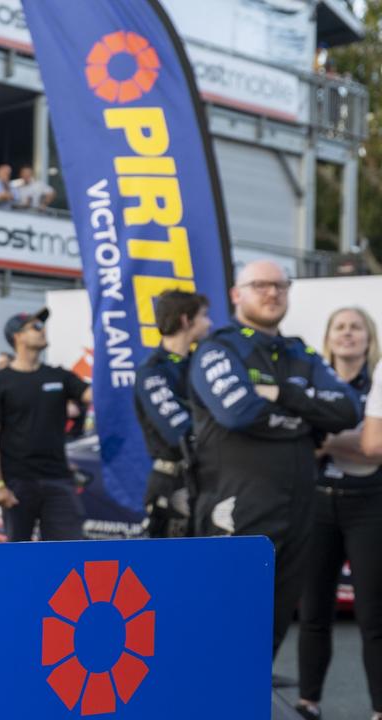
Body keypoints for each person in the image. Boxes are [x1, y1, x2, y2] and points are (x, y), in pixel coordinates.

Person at [189, 260, 359, 661]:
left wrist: (279, 394)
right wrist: (305, 417)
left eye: (281, 285)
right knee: (222, 624)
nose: (272, 293)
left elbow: (346, 410)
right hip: (237, 507)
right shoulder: (219, 348)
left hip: (298, 508)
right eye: (260, 285)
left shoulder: (301, 352)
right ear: (236, 294)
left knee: (273, 626)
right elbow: (238, 412)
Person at [297, 307, 382, 720]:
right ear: (328, 337)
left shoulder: (378, 384)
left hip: (370, 503)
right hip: (317, 502)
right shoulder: (313, 383)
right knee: (313, 610)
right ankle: (308, 701)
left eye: (356, 327)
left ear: (370, 338)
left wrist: (330, 441)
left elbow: (374, 449)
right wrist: (355, 441)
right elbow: (299, 441)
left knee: (373, 614)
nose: (348, 334)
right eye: (340, 327)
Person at [0, 308, 92, 542]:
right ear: (17, 336)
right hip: (17, 483)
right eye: (36, 327)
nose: (43, 331)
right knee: (19, 557)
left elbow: (92, 395)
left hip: (58, 479)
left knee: (67, 552)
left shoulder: (59, 375)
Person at [133, 290, 211, 538]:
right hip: (173, 482)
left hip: (208, 480)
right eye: (204, 316)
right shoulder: (152, 371)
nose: (209, 322)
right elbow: (177, 430)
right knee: (172, 569)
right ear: (186, 320)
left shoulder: (203, 362)